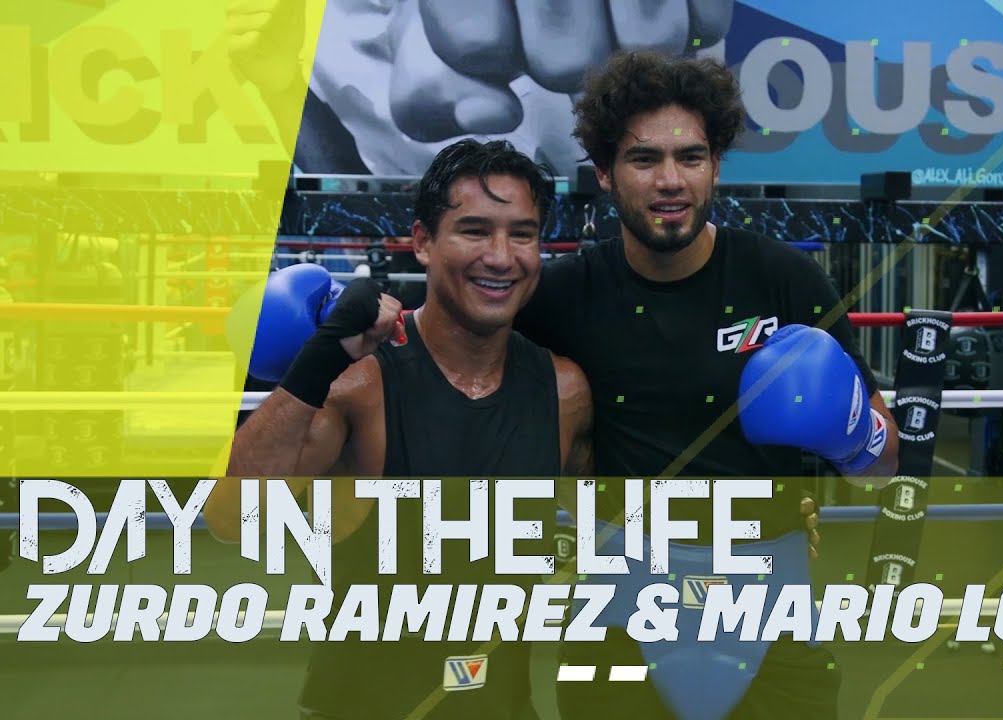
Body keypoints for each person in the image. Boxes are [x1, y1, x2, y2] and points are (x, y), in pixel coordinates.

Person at [512, 51, 900, 720]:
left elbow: (884, 466)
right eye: (643, 160)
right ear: (604, 173)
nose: (670, 181)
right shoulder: (562, 296)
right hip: (623, 598)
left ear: (716, 165)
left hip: (768, 588)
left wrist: (849, 428)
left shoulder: (784, 282)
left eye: (690, 157)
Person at [206, 139, 594, 720]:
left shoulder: (564, 392)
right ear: (422, 243)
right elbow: (232, 520)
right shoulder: (359, 384)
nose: (500, 255)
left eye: (521, 233)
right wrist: (317, 363)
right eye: (474, 230)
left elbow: (630, 517)